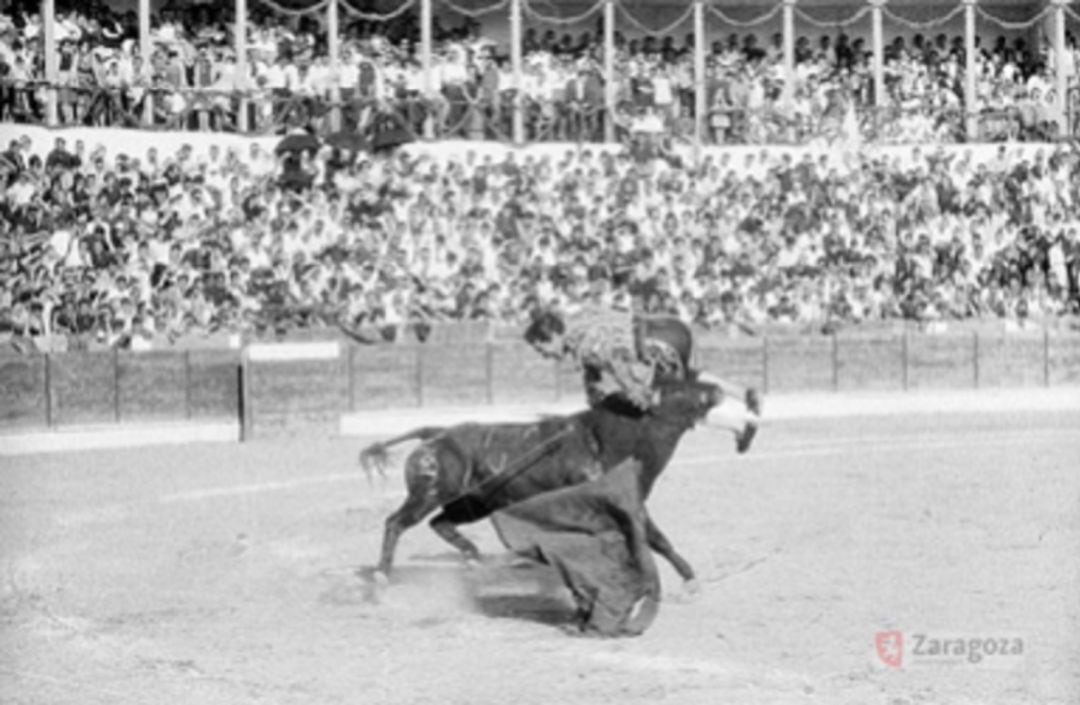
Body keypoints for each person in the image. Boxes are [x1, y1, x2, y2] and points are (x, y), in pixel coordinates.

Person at [524, 302, 760, 453]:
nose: (543, 355)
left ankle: (738, 423)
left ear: (553, 335)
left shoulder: (584, 344)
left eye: (541, 347)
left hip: (655, 342)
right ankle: (742, 394)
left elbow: (616, 363)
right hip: (666, 328)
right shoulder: (577, 315)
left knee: (666, 404)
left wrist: (639, 395)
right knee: (686, 376)